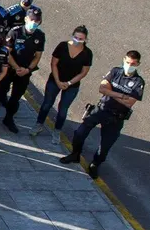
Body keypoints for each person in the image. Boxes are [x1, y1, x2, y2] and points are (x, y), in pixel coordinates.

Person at [60, 51, 144, 179]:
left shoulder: (138, 82)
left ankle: (95, 164)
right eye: (127, 62)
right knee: (79, 133)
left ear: (138, 64)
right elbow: (102, 89)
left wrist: (110, 91)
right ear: (124, 60)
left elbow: (129, 103)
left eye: (133, 64)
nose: (129, 65)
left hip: (116, 117)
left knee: (105, 146)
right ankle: (75, 155)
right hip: (101, 109)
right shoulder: (115, 71)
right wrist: (121, 95)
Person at [32, 25, 92, 138]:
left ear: (85, 40)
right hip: (55, 80)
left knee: (63, 109)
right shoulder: (63, 46)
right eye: (76, 37)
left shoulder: (87, 53)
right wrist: (58, 81)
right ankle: (38, 124)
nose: (77, 40)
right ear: (72, 36)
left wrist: (69, 83)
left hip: (72, 85)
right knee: (47, 104)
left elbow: (83, 72)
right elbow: (54, 64)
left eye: (81, 39)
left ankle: (57, 131)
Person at [0, 8, 46, 133]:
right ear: (26, 19)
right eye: (32, 20)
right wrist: (16, 67)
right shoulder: (15, 32)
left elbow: (37, 56)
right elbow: (8, 53)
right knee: (0, 92)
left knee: (16, 97)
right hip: (10, 69)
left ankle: (8, 118)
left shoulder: (40, 36)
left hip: (25, 72)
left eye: (37, 21)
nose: (34, 23)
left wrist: (28, 69)